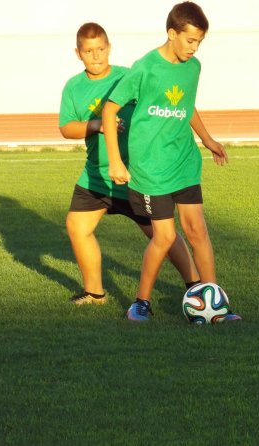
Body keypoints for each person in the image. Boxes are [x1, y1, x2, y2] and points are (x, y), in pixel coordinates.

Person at [102, 2, 241, 321]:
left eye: (200, 42)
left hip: (185, 163)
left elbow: (186, 104)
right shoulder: (145, 67)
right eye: (190, 41)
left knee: (197, 231)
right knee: (164, 237)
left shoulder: (194, 68)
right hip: (151, 170)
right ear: (172, 33)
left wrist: (207, 140)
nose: (195, 48)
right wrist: (115, 162)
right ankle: (141, 303)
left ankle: (216, 305)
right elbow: (110, 110)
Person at [60, 22, 200, 305]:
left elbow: (172, 105)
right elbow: (67, 128)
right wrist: (96, 124)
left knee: (165, 235)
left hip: (135, 176)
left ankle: (195, 286)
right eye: (89, 51)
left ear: (109, 48)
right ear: (78, 53)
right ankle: (95, 292)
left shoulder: (129, 75)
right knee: (77, 226)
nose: (96, 56)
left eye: (101, 49)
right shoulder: (73, 87)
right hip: (97, 176)